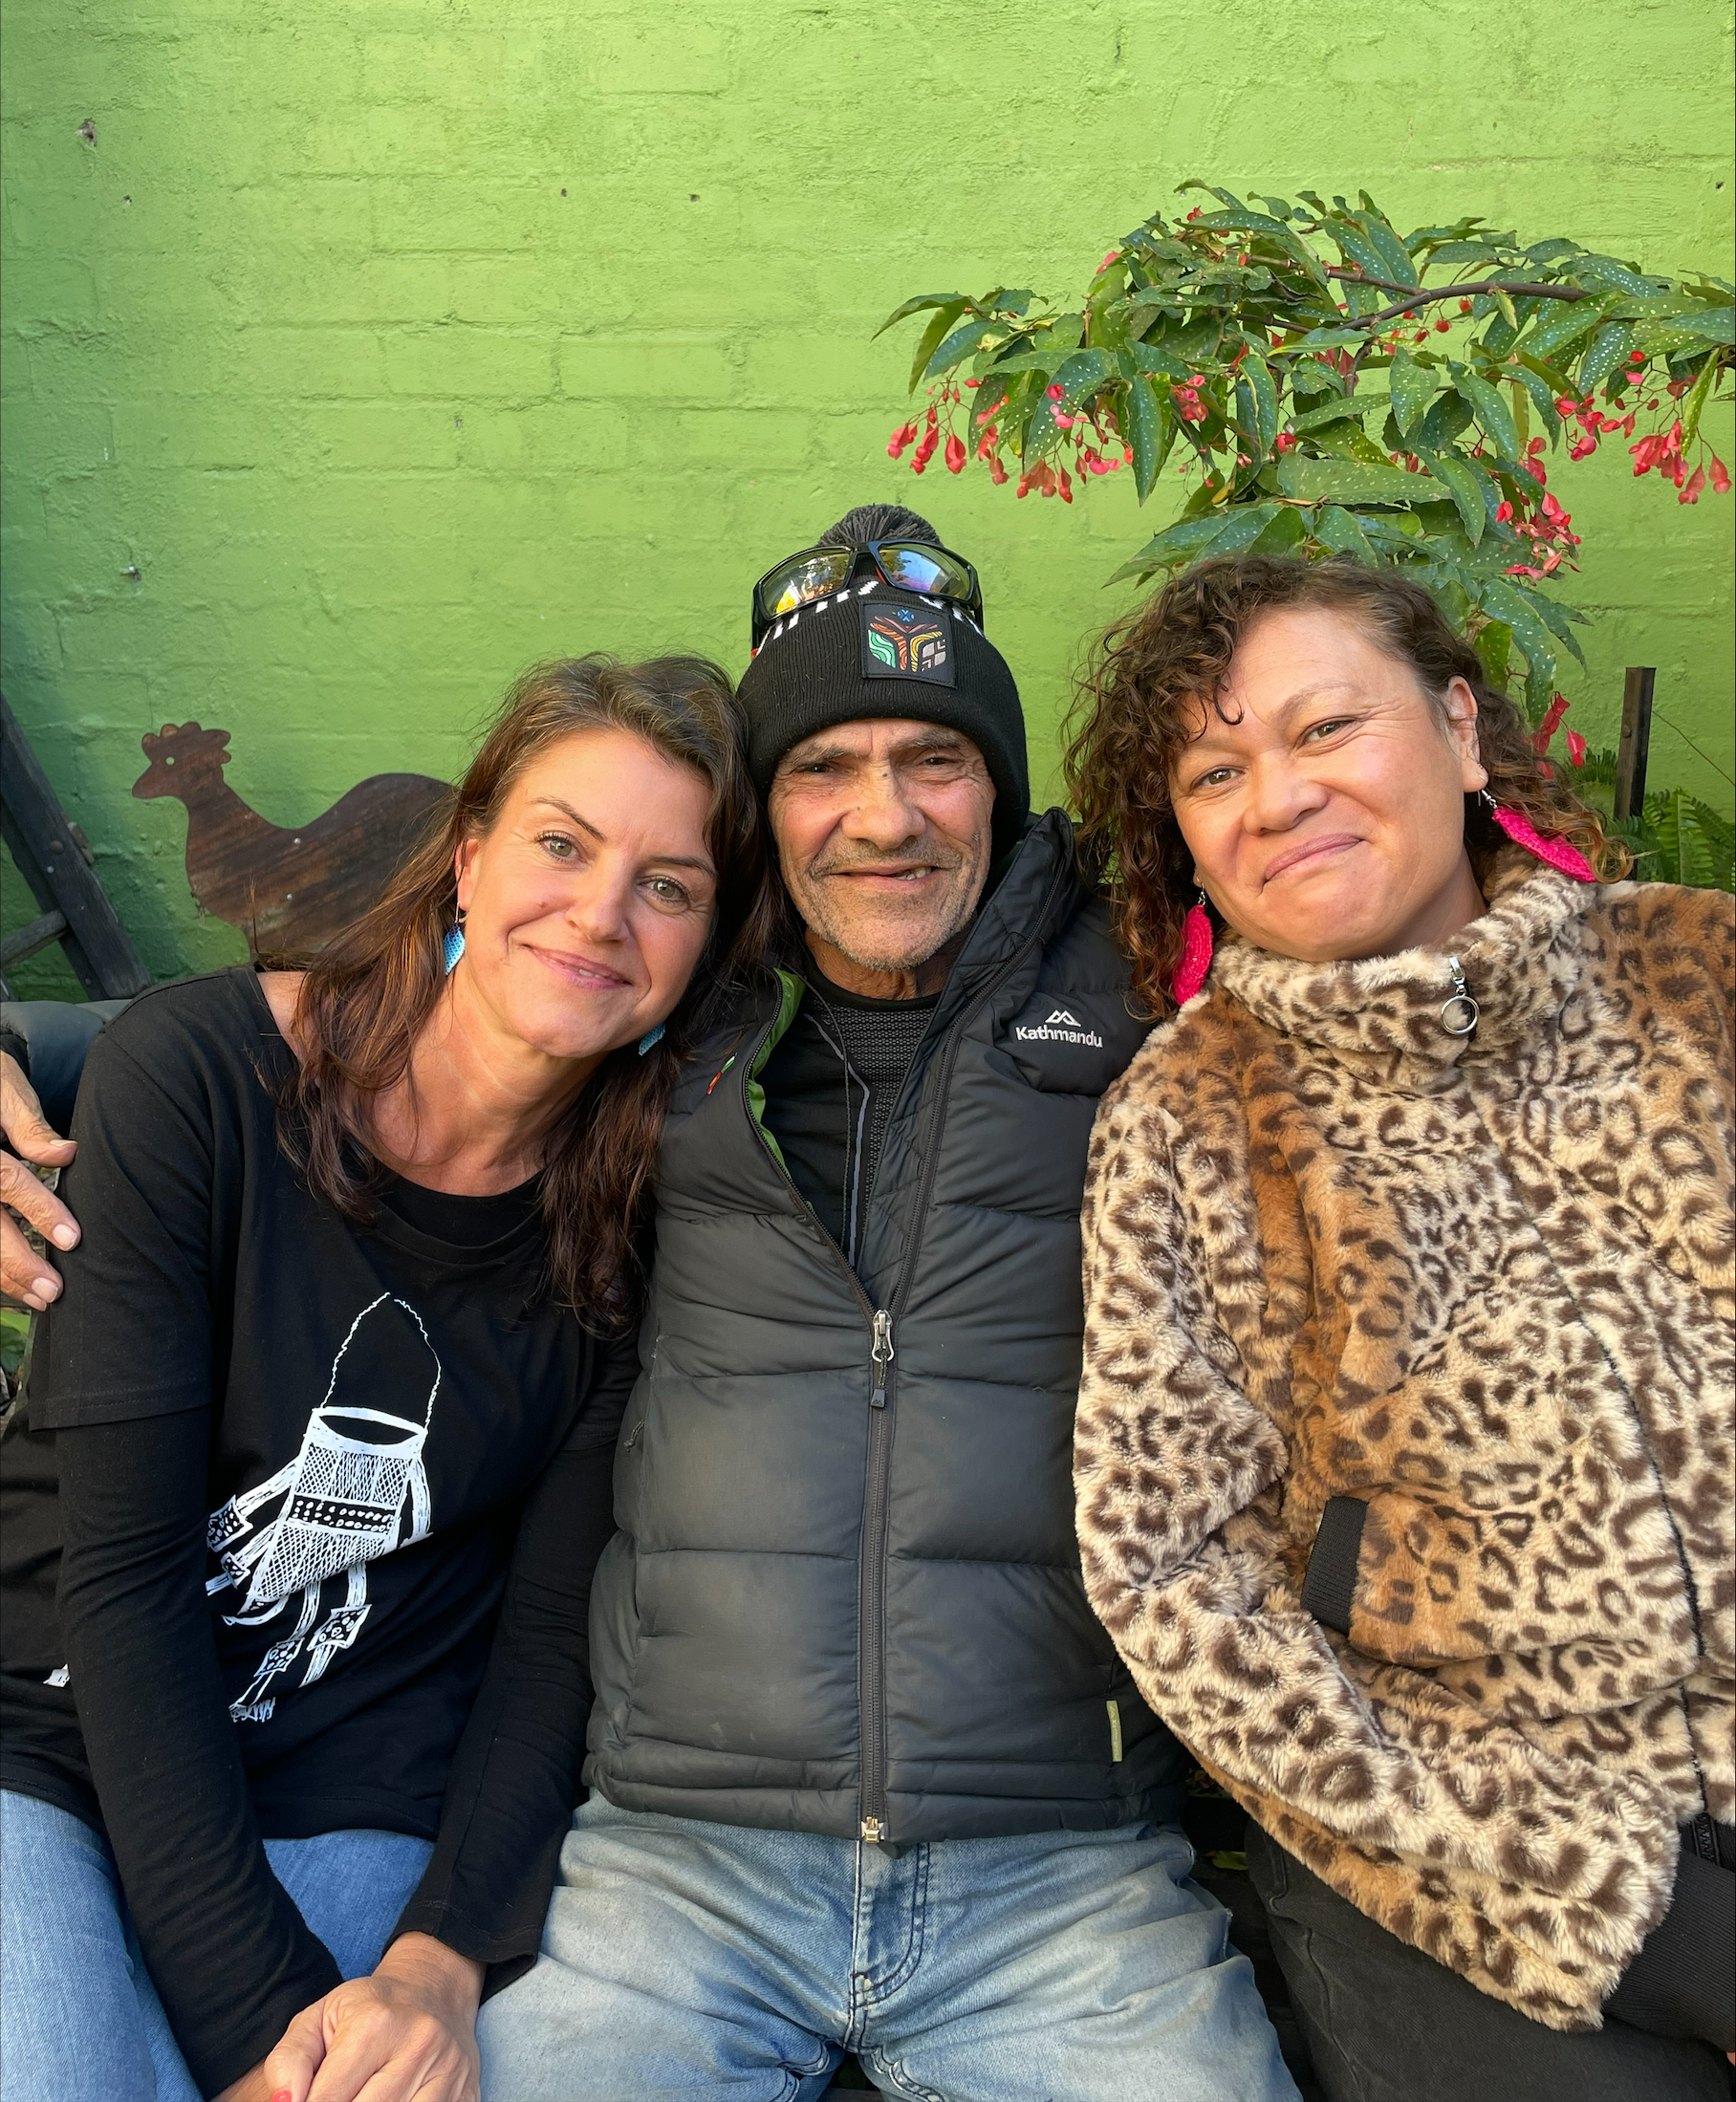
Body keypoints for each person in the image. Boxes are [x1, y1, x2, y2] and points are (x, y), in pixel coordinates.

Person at [2, 511, 1296, 2102]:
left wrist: (432, 1960)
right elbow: (206, 1065)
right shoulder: (567, 1083)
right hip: (505, 1830)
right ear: (472, 851)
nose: (882, 817)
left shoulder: (1117, 1012)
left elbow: (1406, 972)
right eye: (822, 768)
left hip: (1009, 1864)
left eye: (936, 760)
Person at [0, 654, 777, 2102]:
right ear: (470, 862)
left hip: (356, 1778)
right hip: (47, 1739)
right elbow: (123, 1579)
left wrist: (440, 1957)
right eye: (562, 844)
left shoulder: (635, 1226)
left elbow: (550, 1645)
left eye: (668, 886)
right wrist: (255, 2029)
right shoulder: (200, 1083)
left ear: (699, 951)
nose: (601, 913)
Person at [1065, 552, 1735, 2102]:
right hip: (1453, 1847)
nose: (1276, 795)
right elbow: (1173, 1579)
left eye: (1325, 730)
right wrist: (1646, 1924)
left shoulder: (1697, 981)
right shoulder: (1191, 1121)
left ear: (1459, 726)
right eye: (1215, 769)